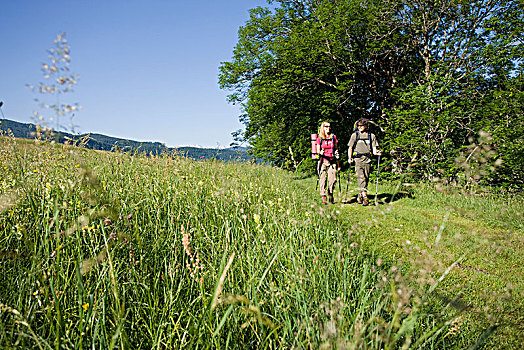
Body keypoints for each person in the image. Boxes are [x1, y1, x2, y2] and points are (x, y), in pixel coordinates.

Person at [347, 118, 382, 206]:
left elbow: (374, 150)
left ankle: (360, 195)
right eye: (358, 126)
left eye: (361, 125)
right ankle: (365, 196)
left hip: (367, 159)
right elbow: (350, 147)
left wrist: (377, 153)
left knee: (365, 178)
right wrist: (349, 158)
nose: (360, 127)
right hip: (358, 159)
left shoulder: (372, 136)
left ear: (366, 126)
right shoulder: (355, 135)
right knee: (360, 177)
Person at [316, 121, 339, 204]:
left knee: (333, 179)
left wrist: (336, 153)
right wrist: (320, 152)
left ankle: (330, 193)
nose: (328, 128)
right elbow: (317, 150)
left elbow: (336, 148)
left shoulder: (333, 137)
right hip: (323, 161)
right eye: (326, 126)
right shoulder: (320, 138)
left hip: (332, 161)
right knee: (323, 179)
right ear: (323, 128)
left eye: (329, 126)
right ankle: (324, 196)